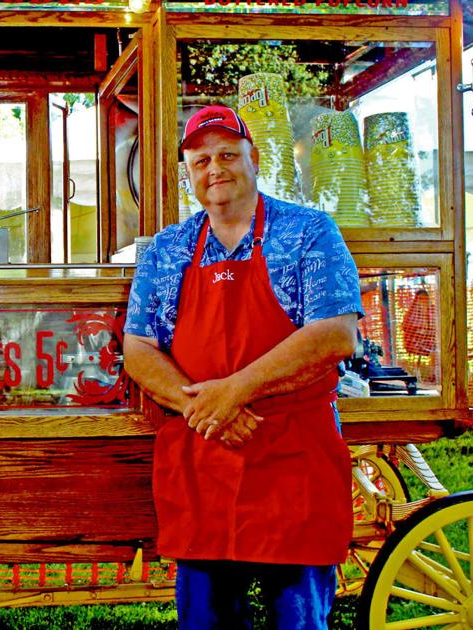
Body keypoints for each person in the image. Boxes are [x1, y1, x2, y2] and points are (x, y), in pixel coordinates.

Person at [123, 105, 361, 629]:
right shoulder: (168, 250)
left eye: (227, 154)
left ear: (254, 158)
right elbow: (138, 348)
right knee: (206, 618)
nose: (215, 169)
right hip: (204, 452)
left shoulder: (308, 232)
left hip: (293, 457)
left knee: (297, 618)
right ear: (188, 173)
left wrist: (233, 391)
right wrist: (209, 406)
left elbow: (335, 333)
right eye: (200, 160)